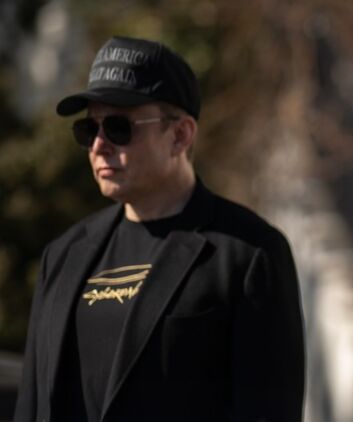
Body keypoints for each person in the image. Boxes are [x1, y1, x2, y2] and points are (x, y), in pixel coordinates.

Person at [14, 36, 305, 422]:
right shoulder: (63, 255)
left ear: (180, 135)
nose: (99, 145)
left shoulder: (248, 254)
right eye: (88, 128)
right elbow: (32, 404)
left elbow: (267, 410)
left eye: (118, 127)